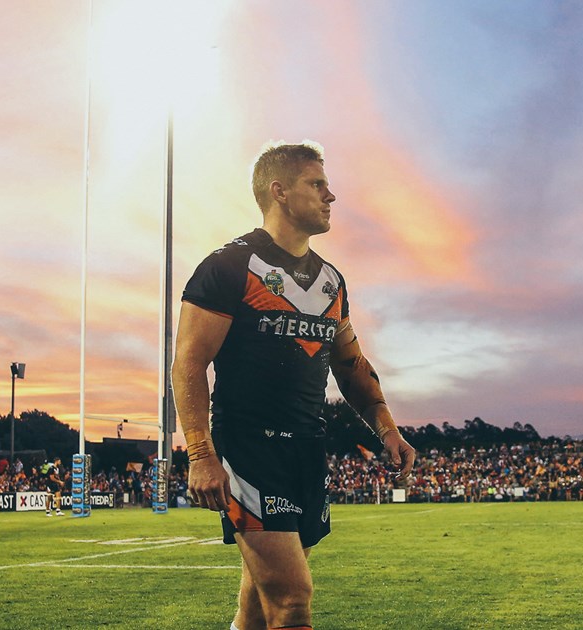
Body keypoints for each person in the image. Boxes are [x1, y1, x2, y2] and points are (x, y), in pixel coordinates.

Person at [175, 141, 417, 630]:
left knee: (257, 603)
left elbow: (349, 363)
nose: (332, 196)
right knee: (292, 597)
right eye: (318, 184)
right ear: (279, 191)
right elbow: (188, 363)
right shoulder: (229, 267)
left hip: (308, 448)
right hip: (249, 447)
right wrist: (201, 453)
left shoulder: (331, 281)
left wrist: (387, 429)